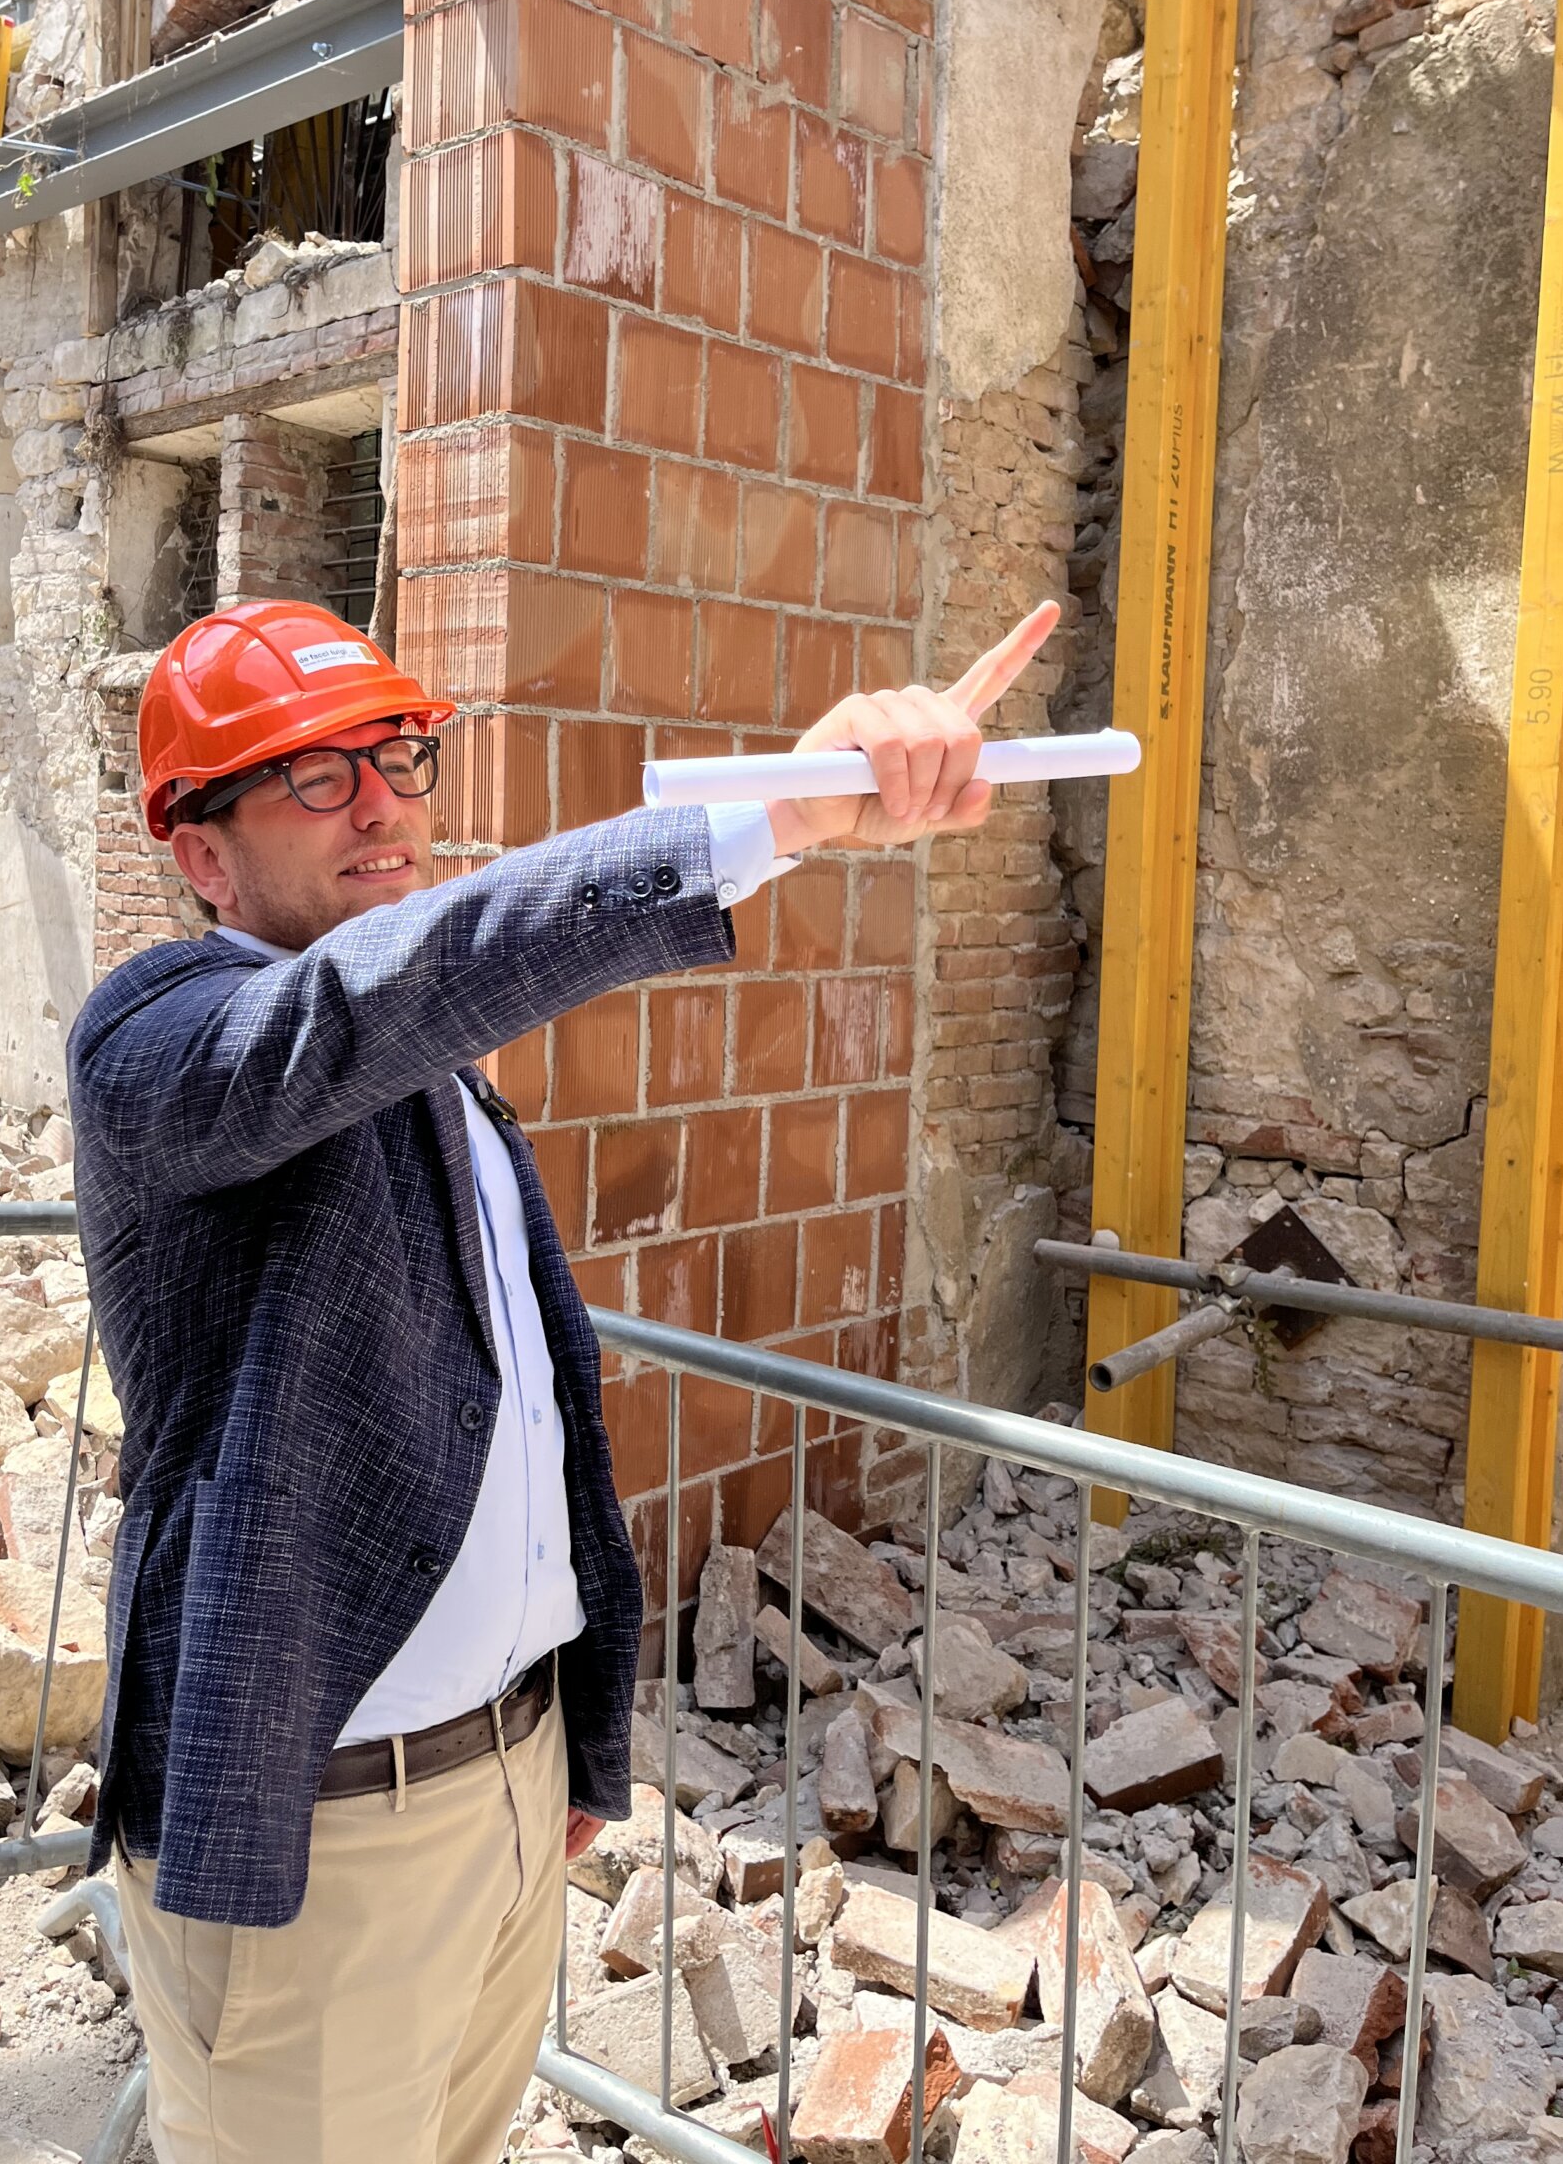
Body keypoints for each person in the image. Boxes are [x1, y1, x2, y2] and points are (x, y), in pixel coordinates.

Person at [66, 590, 1057, 2164]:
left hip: (505, 1791)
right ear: (201, 853)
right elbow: (372, 998)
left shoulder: (435, 1071)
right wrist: (778, 814)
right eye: (315, 777)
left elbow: (527, 1408)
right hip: (324, 1821)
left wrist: (563, 1737)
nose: (381, 805)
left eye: (398, 758)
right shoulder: (163, 1045)